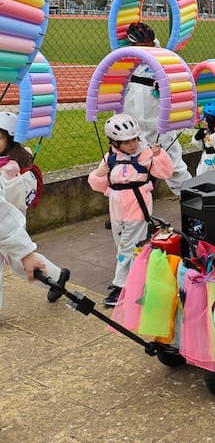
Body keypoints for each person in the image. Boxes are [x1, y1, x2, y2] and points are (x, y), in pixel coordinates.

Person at [88, 114, 173, 306]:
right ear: (115, 143)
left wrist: (159, 155)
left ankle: (120, 287)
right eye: (126, 142)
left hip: (137, 204)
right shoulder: (110, 158)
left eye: (134, 139)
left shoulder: (145, 154)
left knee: (127, 247)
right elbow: (98, 184)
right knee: (125, 246)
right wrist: (98, 175)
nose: (133, 145)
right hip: (117, 206)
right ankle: (140, 282)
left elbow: (165, 172)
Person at [0, 112, 69, 305]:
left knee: (20, 262)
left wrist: (10, 180)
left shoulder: (14, 169)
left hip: (9, 225)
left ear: (10, 140)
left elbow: (17, 201)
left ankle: (57, 277)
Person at [122, 22, 192, 195]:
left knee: (174, 166)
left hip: (159, 124)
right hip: (133, 124)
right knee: (131, 166)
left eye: (148, 45)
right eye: (140, 46)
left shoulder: (164, 58)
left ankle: (191, 201)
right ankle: (135, 204)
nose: (145, 50)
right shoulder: (124, 59)